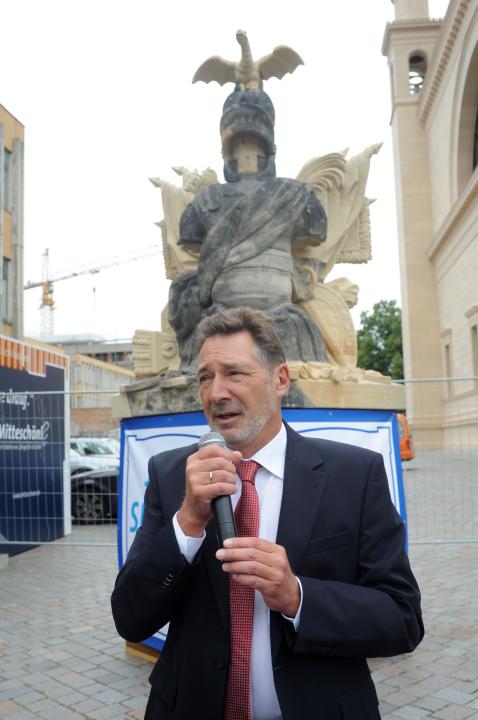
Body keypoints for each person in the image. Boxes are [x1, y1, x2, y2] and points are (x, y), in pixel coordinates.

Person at [111, 307, 423, 720]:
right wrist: (187, 522)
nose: (215, 393)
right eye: (205, 377)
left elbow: (402, 618)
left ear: (280, 380)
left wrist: (297, 595)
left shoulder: (353, 475)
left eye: (234, 373)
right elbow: (130, 618)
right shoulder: (171, 476)